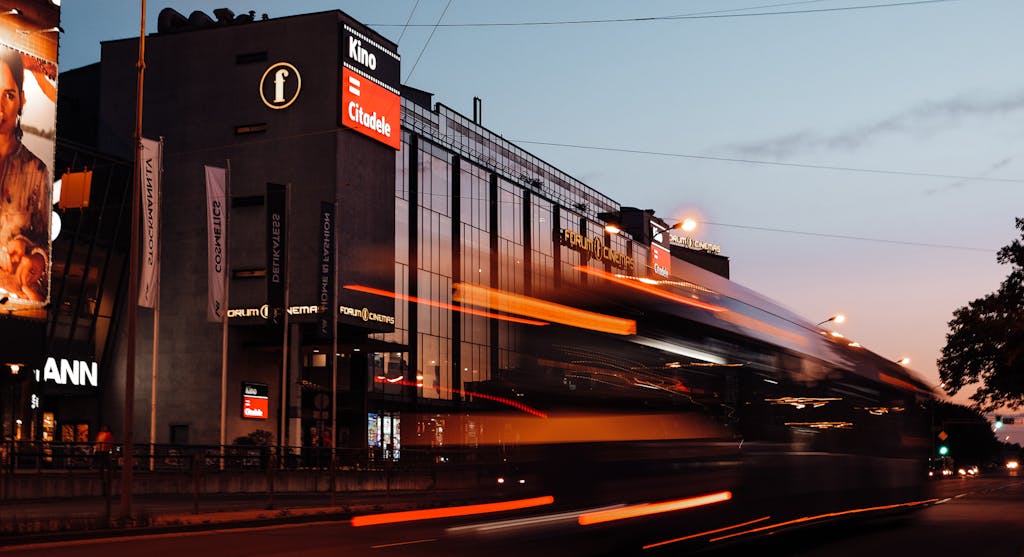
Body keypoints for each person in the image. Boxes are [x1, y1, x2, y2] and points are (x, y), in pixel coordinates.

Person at [0, 47, 49, 302]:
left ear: (21, 100)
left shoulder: (36, 170)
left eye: (8, 95)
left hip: (14, 299)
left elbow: (45, 240)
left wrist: (34, 259)